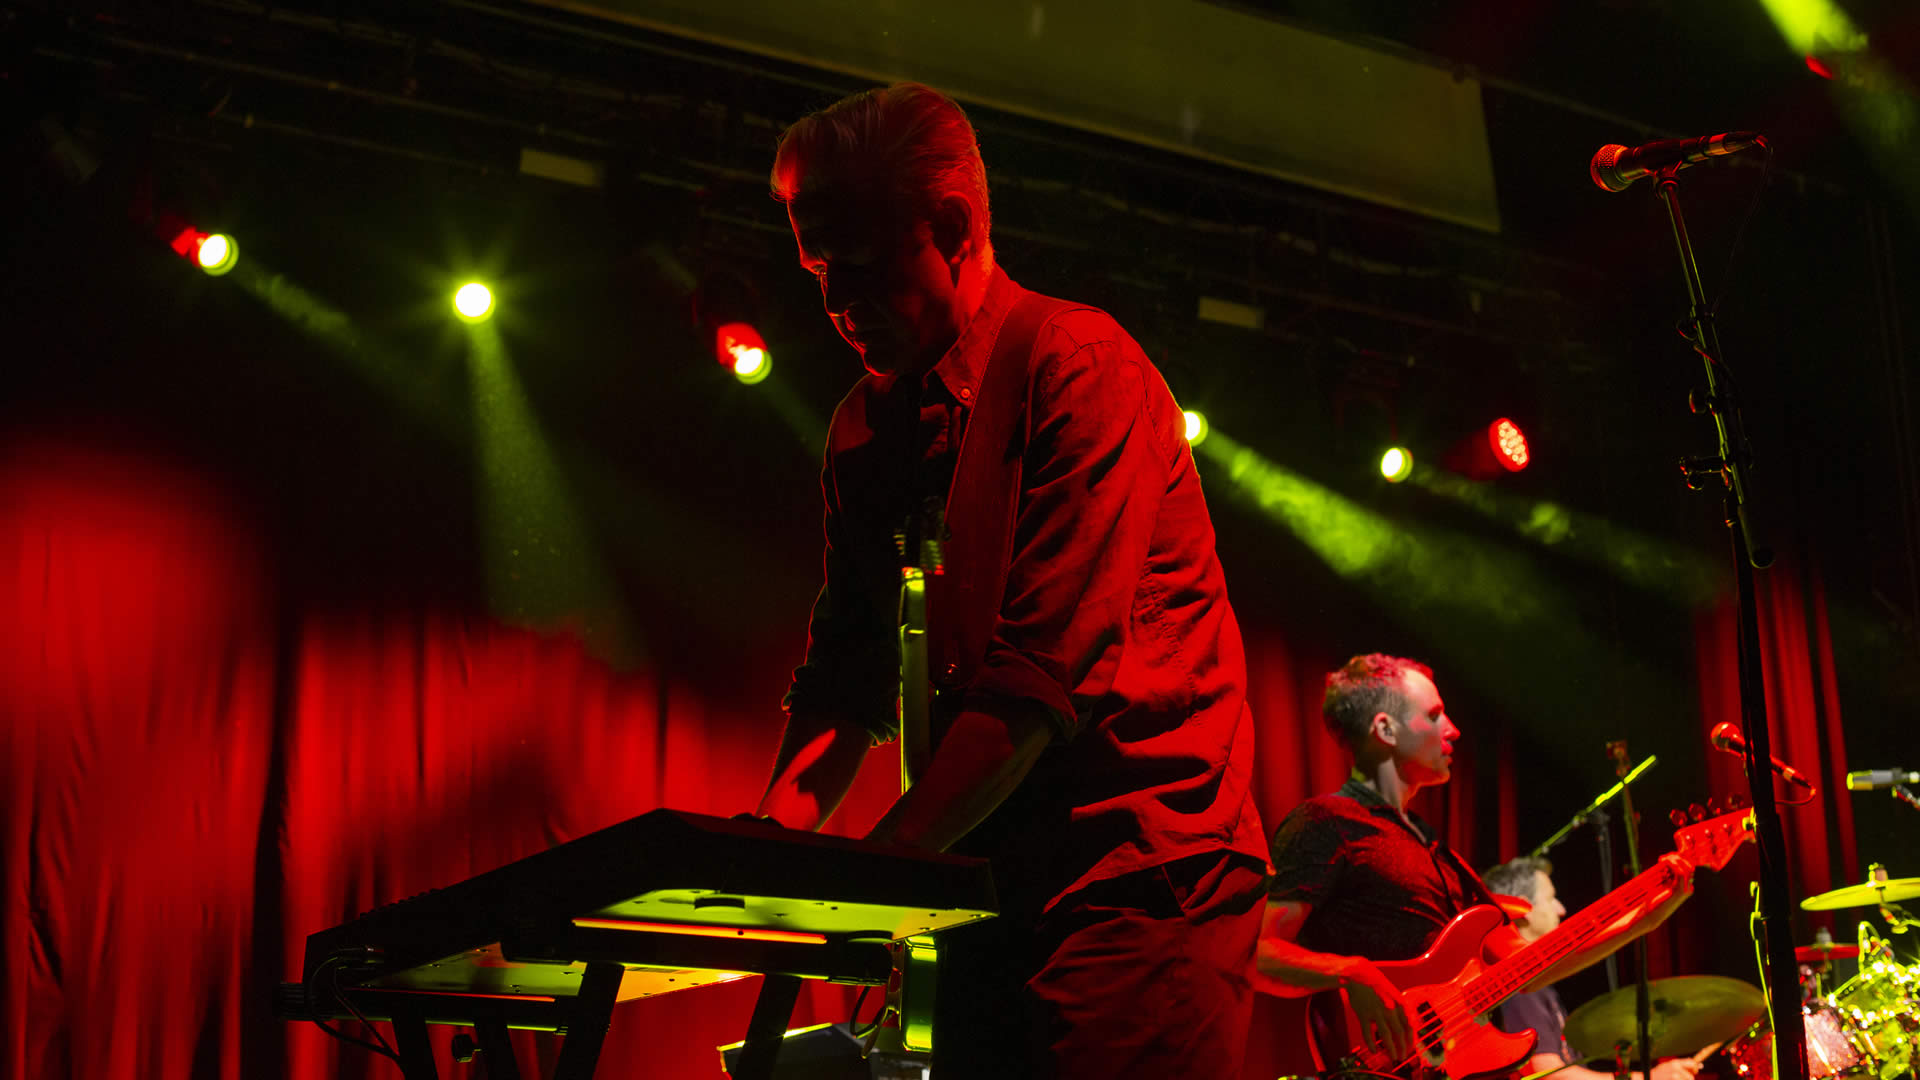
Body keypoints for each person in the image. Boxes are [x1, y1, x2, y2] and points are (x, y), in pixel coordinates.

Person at [750, 82, 1267, 1079]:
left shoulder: (1079, 366)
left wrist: (879, 872)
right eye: (816, 270)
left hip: (1142, 880)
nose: (834, 304)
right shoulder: (866, 426)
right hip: (990, 874)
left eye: (858, 267)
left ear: (951, 228)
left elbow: (1040, 682)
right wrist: (757, 856)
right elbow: (845, 679)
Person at [1256, 654, 1693, 1067]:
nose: (1453, 729)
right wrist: (1348, 971)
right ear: (1385, 730)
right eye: (1433, 715)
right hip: (1371, 1065)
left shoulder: (1434, 848)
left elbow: (1530, 967)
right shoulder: (1324, 823)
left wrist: (1643, 918)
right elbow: (1257, 954)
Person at [1482, 857, 1704, 1080]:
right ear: (1524, 909)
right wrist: (1648, 1078)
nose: (1561, 908)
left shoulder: (1538, 988)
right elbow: (1546, 1075)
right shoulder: (1516, 988)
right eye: (1551, 899)